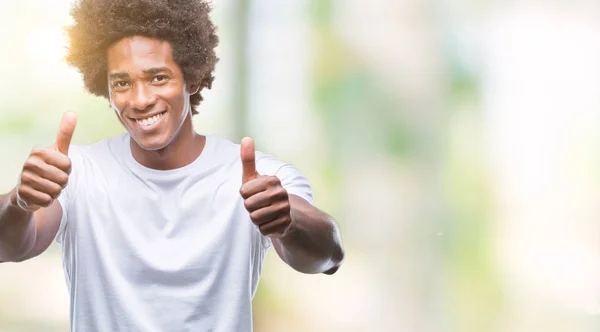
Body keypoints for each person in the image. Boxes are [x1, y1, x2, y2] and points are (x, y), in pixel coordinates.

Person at [0, 0, 344, 330]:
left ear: (191, 79)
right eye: (122, 83)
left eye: (158, 78)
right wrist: (19, 203)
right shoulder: (78, 172)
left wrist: (288, 222)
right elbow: (10, 247)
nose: (140, 99)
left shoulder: (260, 179)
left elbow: (328, 256)